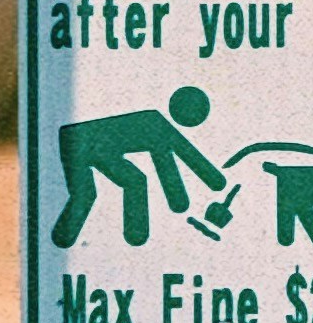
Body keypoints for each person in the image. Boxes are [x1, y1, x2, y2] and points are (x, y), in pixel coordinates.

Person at [50, 88, 226, 248]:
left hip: (81, 140)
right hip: (80, 141)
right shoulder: (154, 125)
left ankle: (132, 238)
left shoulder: (154, 124)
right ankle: (64, 244)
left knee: (132, 182)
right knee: (90, 194)